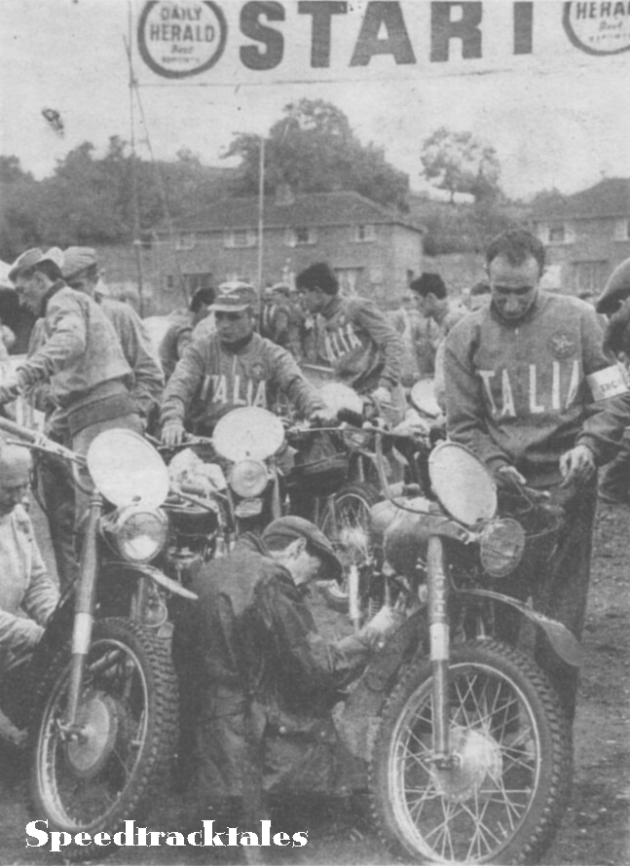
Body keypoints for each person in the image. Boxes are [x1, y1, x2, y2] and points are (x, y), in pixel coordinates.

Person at [444, 228, 630, 722]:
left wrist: (590, 445)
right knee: (498, 620)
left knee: (559, 623)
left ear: (540, 277)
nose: (509, 302)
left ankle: (554, 739)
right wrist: (495, 464)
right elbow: (461, 426)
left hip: (568, 490)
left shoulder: (581, 320)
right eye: (499, 291)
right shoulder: (465, 336)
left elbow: (615, 395)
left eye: (521, 292)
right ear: (486, 278)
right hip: (501, 495)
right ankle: (499, 738)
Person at [174, 516, 401, 845]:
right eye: (313, 572)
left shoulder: (211, 570)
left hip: (198, 749)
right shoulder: (271, 577)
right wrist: (371, 635)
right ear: (297, 548)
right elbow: (316, 668)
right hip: (245, 745)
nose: (307, 587)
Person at [160, 283, 327, 446]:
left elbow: (296, 383)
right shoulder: (199, 351)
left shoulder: (271, 353)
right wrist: (172, 421)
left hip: (255, 445)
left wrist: (317, 408)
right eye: (219, 316)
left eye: (233, 317)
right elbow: (178, 386)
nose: (224, 324)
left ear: (252, 317)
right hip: (205, 444)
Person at [62, 246, 164, 428]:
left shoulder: (121, 316)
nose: (70, 295)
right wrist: (58, 401)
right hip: (67, 428)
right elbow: (34, 386)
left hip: (118, 426)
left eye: (77, 286)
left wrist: (135, 411)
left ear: (94, 281)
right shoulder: (48, 323)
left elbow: (150, 374)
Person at [295, 262, 405, 421]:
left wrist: (385, 385)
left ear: (318, 292)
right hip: (352, 401)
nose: (300, 299)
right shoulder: (321, 320)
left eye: (303, 293)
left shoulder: (356, 307)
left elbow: (394, 342)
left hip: (380, 397)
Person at [0, 442, 59, 677]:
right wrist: (32, 634)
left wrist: (55, 618)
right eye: (8, 489)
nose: (18, 497)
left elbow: (36, 580)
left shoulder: (18, 517)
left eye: (24, 486)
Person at [410, 272, 466, 411]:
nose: (415, 305)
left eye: (417, 299)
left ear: (430, 298)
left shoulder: (455, 319)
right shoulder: (432, 324)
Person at [159, 285, 216, 381]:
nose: (212, 313)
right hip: (171, 379)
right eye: (211, 308)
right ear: (202, 305)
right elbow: (187, 357)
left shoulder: (190, 322)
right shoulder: (185, 327)